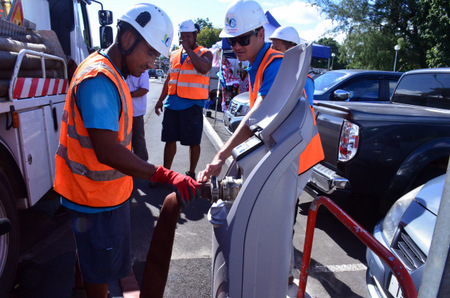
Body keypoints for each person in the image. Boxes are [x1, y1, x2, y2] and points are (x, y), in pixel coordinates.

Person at [53, 4, 199, 298]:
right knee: (100, 272)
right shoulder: (100, 81)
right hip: (95, 200)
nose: (151, 63)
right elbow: (108, 151)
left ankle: (79, 286)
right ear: (128, 39)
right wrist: (165, 174)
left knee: (91, 258)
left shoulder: (108, 70)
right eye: (149, 53)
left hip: (98, 196)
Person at [198, 0, 324, 286]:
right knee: (271, 219)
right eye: (232, 40)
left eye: (243, 39)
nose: (237, 46)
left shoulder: (273, 64)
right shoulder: (258, 63)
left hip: (296, 158)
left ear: (260, 35)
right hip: (283, 153)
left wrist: (222, 154)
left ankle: (281, 280)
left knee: (277, 222)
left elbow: (259, 114)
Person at [270, 25, 324, 285]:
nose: (273, 50)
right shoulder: (285, 74)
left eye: (277, 46)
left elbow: (295, 115)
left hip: (301, 158)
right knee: (281, 214)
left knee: (283, 216)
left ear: (291, 49)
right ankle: (284, 269)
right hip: (293, 157)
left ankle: (286, 274)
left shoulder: (302, 80)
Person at [155, 19, 213, 179]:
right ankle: (165, 174)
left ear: (196, 35)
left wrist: (188, 49)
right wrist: (160, 100)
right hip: (172, 104)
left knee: (194, 142)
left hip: (192, 105)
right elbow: (169, 78)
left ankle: (191, 173)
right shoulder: (174, 54)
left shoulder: (205, 53)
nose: (184, 39)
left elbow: (204, 68)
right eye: (182, 36)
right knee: (169, 140)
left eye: (188, 36)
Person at [126, 71, 150, 161]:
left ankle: (142, 165)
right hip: (122, 112)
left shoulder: (143, 72)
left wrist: (128, 94)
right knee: (124, 140)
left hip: (136, 113)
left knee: (138, 140)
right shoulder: (121, 70)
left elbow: (144, 89)